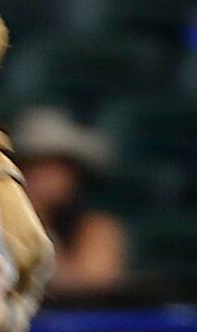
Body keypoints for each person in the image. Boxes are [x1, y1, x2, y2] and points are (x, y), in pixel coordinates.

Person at [13, 108, 127, 294]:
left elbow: (95, 287)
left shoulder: (97, 229)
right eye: (32, 166)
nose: (40, 178)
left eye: (53, 168)